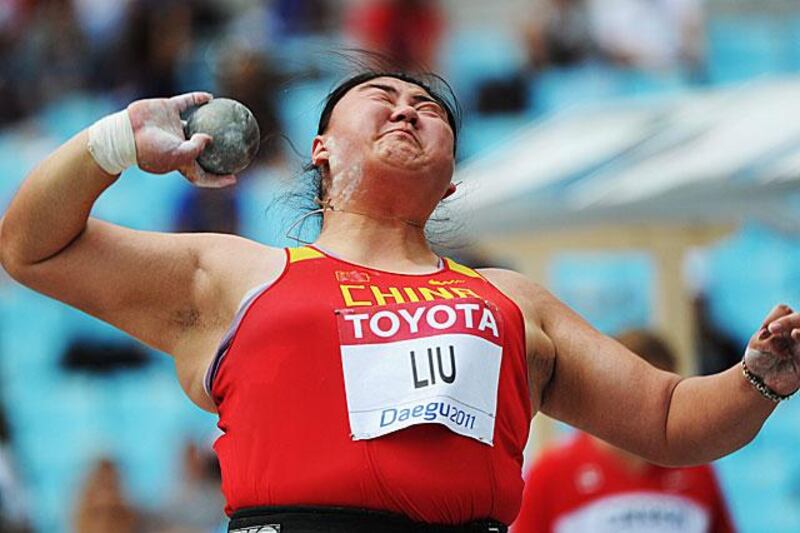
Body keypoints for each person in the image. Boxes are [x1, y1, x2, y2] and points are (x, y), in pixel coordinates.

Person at [0, 67, 798, 532]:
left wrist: (758, 375)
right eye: (384, 96)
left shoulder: (512, 302)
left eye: (431, 110)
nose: (410, 108)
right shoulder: (233, 276)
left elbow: (669, 421)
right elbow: (31, 245)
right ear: (320, 149)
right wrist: (114, 142)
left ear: (451, 179)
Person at [512, 330, 736, 533]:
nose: (654, 404)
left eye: (668, 394)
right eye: (640, 390)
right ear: (609, 387)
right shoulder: (552, 471)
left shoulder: (697, 471)